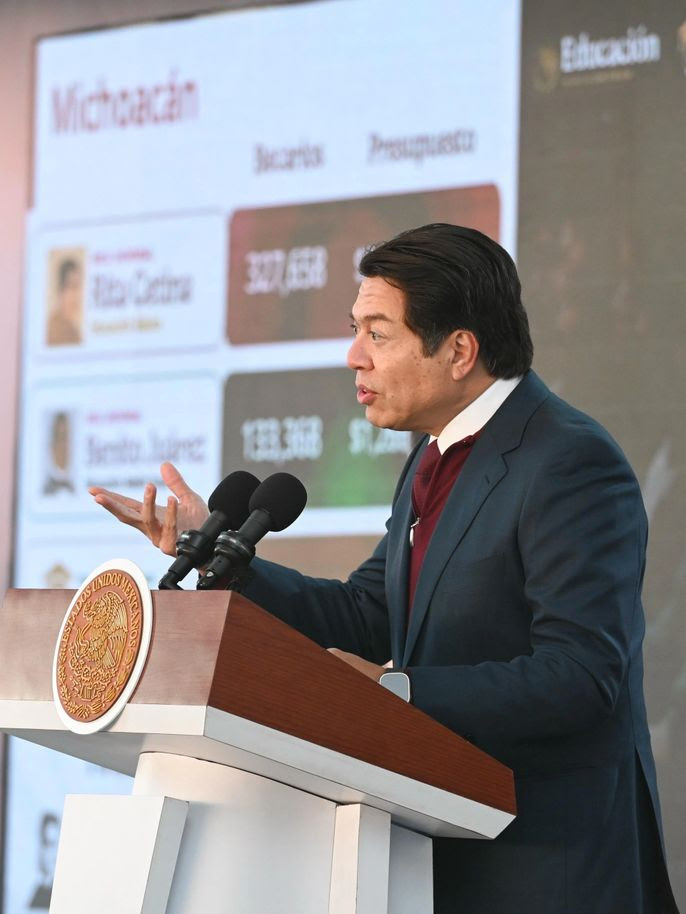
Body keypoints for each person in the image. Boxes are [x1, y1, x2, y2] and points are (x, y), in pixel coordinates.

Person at [90, 223, 678, 913]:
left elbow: (582, 677)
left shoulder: (569, 461)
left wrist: (394, 692)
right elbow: (368, 613)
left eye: (378, 333)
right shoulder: (431, 455)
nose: (353, 356)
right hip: (435, 855)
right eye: (355, 331)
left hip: (550, 870)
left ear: (459, 350)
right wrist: (222, 555)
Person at [46, 257, 83, 346]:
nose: (77, 295)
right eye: (72, 287)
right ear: (60, 291)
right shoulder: (53, 329)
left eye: (79, 287)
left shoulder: (73, 330)